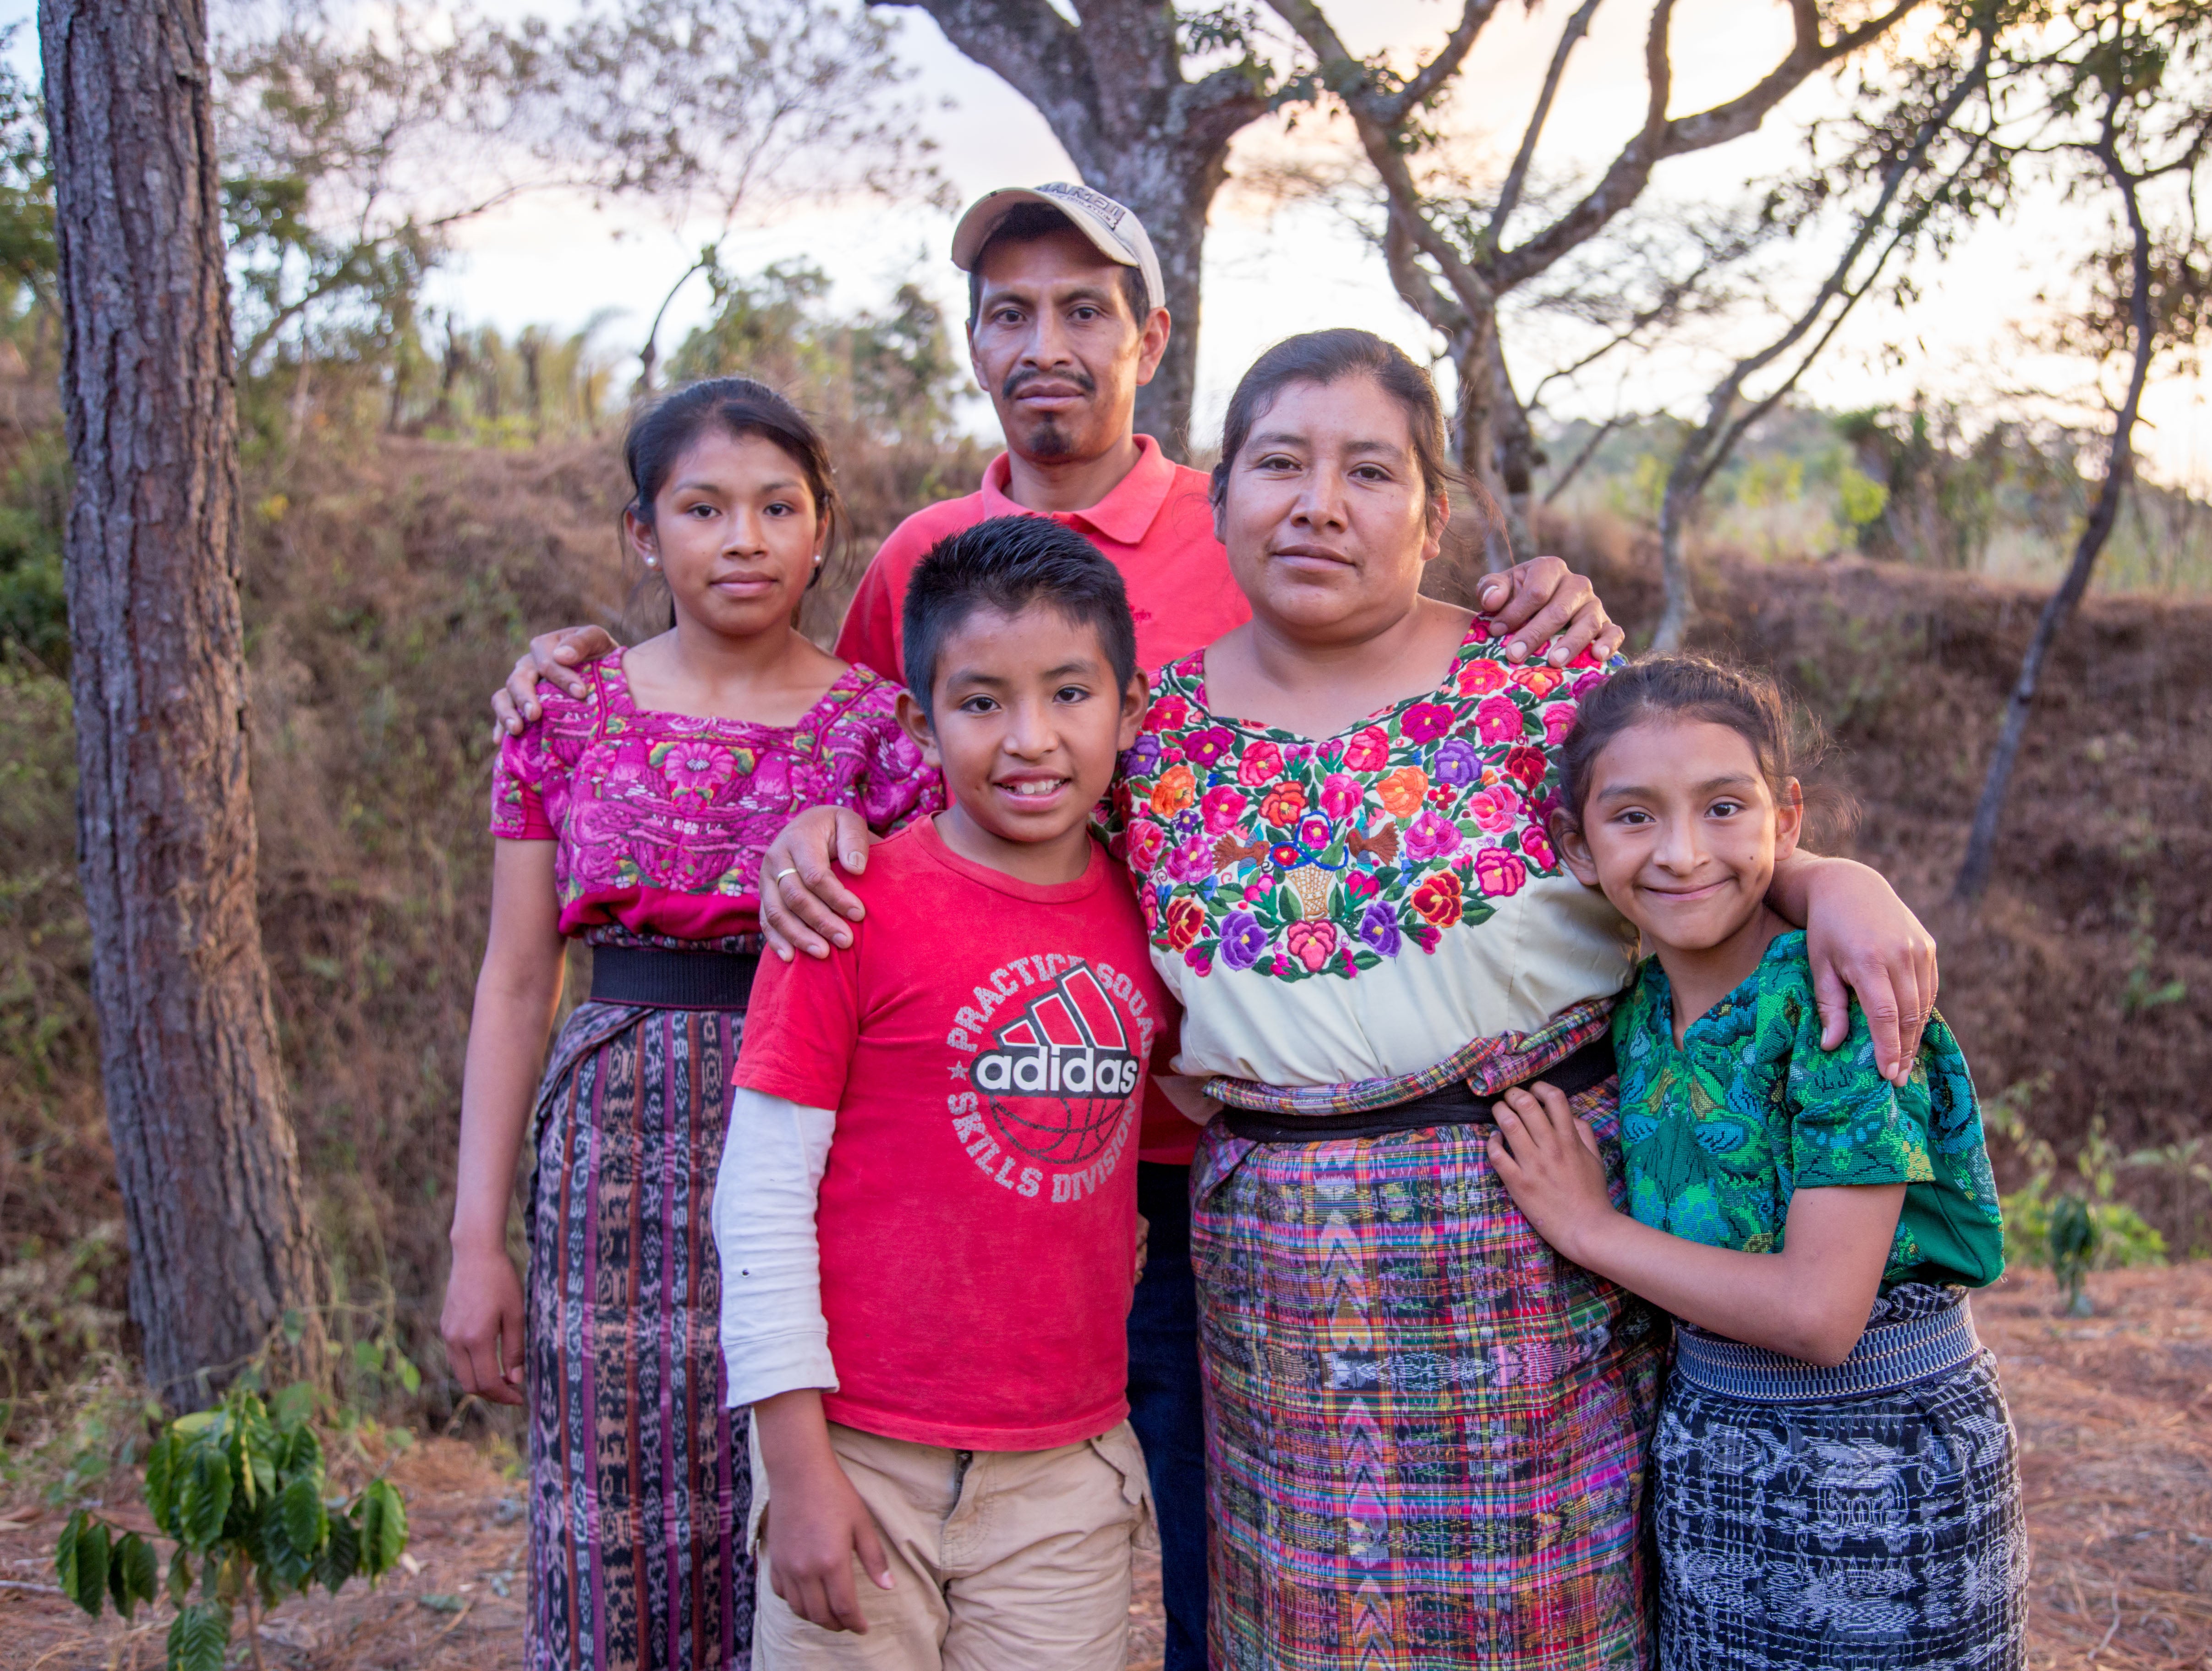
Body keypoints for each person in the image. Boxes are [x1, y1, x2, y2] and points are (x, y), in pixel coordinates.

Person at [488, 184, 1623, 1671]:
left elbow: (1659, 809)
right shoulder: (922, 559)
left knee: (1200, 1565)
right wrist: (797, 816)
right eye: (1010, 311)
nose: (1047, 343)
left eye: (1084, 308)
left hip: (1198, 1168)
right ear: (970, 340)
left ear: (1151, 337)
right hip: (1002, 1172)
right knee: (1236, 1565)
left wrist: (1557, 608)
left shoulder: (1282, 548)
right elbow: (850, 737)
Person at [765, 329, 1941, 1670]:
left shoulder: (1547, 690)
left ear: (1435, 517)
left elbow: (1693, 853)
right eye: (1279, 463)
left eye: (1370, 471)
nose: (1319, 502)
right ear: (1222, 503)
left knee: (1556, 1630)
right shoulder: (1143, 739)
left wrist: (1828, 879)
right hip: (1276, 1284)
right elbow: (975, 859)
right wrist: (818, 833)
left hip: (1537, 1247)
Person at [441, 378, 941, 1671]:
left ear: (824, 530)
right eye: (703, 508)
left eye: (779, 507)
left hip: (816, 1146)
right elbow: (513, 978)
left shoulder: (882, 736)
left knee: (791, 1492)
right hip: (608, 1150)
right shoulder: (561, 717)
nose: (743, 539)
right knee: (609, 1511)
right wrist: (472, 1242)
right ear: (640, 533)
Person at [1488, 654, 2025, 1671]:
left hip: (1884, 1468)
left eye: (1723, 808)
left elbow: (1820, 1315)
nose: (1684, 853)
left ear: (1787, 820)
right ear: (1578, 846)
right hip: (1707, 1458)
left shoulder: (1839, 1009)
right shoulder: (1638, 1008)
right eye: (1635, 817)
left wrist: (1590, 1229)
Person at [714, 516, 1173, 1670]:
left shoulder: (1159, 916)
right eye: (981, 703)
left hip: (1066, 1471)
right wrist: (799, 1468)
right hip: (862, 1457)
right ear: (921, 722)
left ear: (1128, 704)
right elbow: (760, 1196)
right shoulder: (847, 903)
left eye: (1071, 694)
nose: (1031, 740)